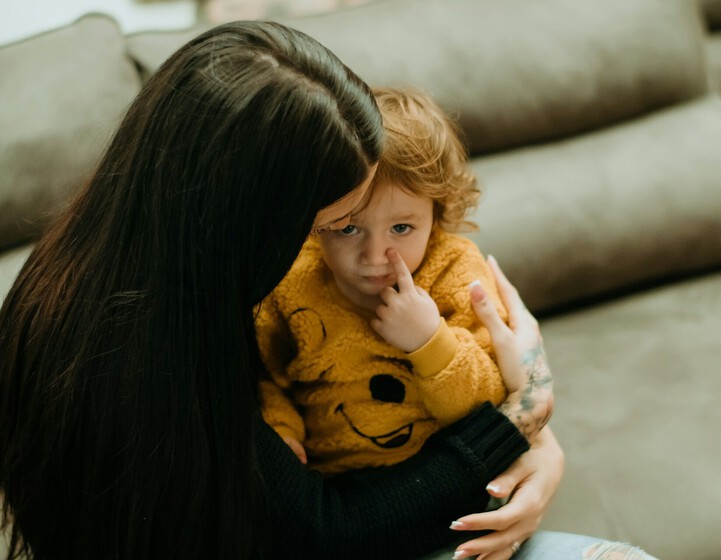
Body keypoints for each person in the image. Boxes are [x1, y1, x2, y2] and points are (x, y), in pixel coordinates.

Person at [0, 20, 655, 560]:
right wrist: (523, 416)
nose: (367, 256)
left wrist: (537, 448)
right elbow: (328, 534)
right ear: (254, 226)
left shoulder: (140, 261)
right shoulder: (143, 349)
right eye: (331, 228)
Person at [255, 86, 516, 473]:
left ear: (438, 213)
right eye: (347, 229)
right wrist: (281, 431)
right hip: (330, 486)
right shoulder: (293, 281)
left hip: (444, 479)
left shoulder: (454, 271)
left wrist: (430, 342)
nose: (375, 257)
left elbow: (488, 405)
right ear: (318, 219)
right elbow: (264, 378)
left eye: (401, 227)